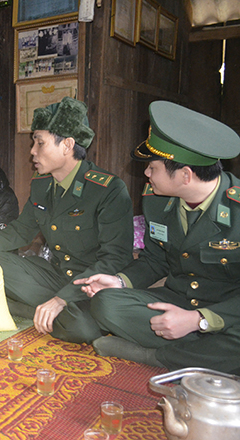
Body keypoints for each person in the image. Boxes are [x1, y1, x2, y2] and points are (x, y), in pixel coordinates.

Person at [0, 97, 134, 343]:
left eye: (39, 143)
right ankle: (42, 311)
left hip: (90, 285)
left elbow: (116, 258)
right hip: (55, 276)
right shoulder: (42, 185)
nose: (32, 152)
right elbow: (18, 232)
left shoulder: (107, 189)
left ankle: (29, 309)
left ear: (67, 145)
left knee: (83, 329)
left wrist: (62, 298)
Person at [75, 101, 240, 374]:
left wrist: (199, 320)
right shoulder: (156, 200)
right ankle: (204, 353)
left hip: (229, 312)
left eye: (153, 168)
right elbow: (155, 260)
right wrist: (119, 281)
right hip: (176, 300)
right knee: (106, 303)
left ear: (185, 175)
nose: (146, 174)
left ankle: (156, 356)